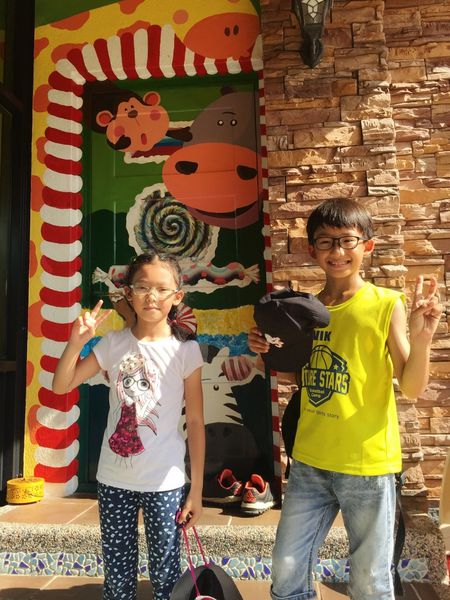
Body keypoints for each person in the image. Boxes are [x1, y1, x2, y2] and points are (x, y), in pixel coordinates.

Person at [248, 198, 443, 600]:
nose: (337, 251)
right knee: (285, 571)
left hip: (367, 465)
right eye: (326, 241)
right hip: (310, 460)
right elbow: (304, 375)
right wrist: (267, 350)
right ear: (312, 249)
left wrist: (423, 338)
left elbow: (411, 387)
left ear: (367, 245)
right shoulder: (304, 310)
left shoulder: (386, 304)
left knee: (370, 583)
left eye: (347, 240)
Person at [53, 250, 205, 600]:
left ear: (177, 296)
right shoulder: (113, 343)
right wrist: (76, 343)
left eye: (162, 289)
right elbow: (62, 385)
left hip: (165, 483)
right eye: (142, 287)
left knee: (167, 578)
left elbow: (196, 422)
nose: (152, 296)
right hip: (114, 480)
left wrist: (196, 489)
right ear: (129, 294)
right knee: (117, 580)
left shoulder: (186, 351)